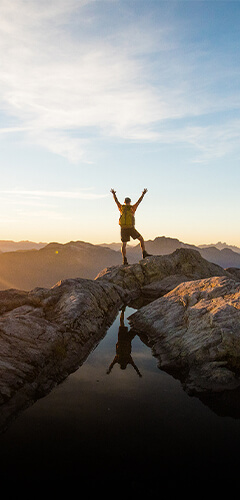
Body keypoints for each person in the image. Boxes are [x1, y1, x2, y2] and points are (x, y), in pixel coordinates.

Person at [110, 187, 151, 265]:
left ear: (124, 202)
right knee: (141, 239)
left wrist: (114, 194)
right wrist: (143, 194)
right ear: (130, 202)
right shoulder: (132, 208)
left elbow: (116, 201)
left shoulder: (121, 208)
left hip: (123, 229)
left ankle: (124, 260)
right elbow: (139, 201)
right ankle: (144, 254)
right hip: (131, 228)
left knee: (124, 244)